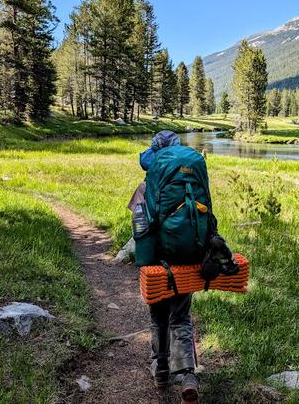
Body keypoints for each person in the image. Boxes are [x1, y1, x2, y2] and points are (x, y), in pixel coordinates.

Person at [130, 130, 207, 403]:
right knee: (182, 317)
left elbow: (139, 228)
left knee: (159, 316)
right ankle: (187, 375)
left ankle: (161, 369)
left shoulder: (145, 186)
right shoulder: (191, 177)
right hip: (188, 256)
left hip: (158, 261)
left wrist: (143, 260)